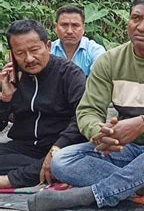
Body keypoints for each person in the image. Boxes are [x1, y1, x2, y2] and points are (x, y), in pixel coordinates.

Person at [28, 0, 144, 211]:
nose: (141, 27)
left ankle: (91, 195)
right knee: (62, 160)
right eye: (135, 18)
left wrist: (141, 124)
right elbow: (88, 110)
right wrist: (100, 133)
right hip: (125, 148)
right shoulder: (110, 61)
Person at [0, 20, 86, 188]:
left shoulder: (69, 74)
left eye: (34, 50)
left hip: (60, 147)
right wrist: (4, 99)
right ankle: (38, 173)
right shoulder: (13, 77)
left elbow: (82, 118)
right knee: (54, 167)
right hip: (24, 148)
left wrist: (57, 148)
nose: (29, 59)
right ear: (12, 55)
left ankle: (9, 180)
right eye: (20, 53)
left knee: (62, 163)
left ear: (48, 46)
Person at [51, 5, 106, 76]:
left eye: (75, 25)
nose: (69, 31)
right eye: (64, 25)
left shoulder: (95, 51)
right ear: (56, 27)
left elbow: (97, 83)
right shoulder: (48, 50)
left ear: (83, 28)